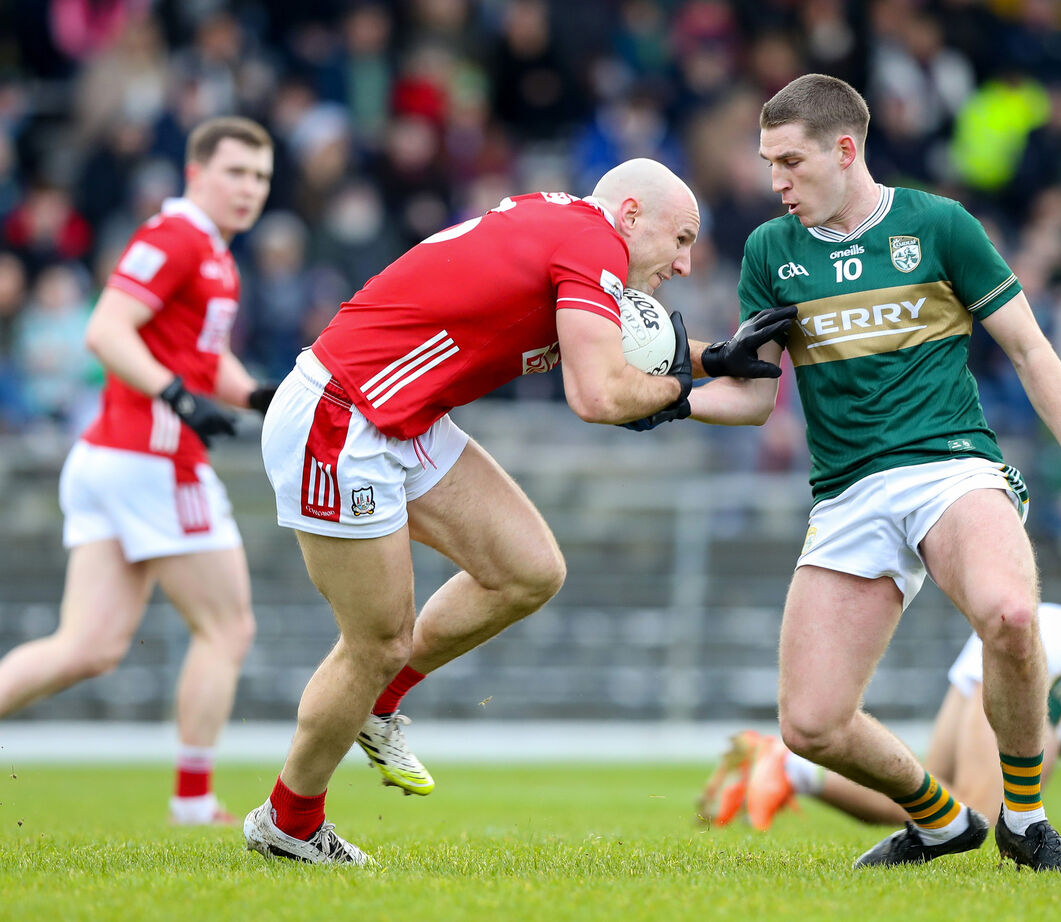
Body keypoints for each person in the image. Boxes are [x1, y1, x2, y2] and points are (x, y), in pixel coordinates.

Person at [242, 158, 792, 866]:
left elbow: (611, 359)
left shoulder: (574, 234)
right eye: (680, 239)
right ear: (628, 215)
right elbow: (597, 395)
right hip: (343, 414)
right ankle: (288, 823)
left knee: (527, 569)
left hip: (397, 414)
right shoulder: (592, 243)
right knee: (374, 643)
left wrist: (713, 357)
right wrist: (686, 385)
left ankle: (378, 705)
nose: (686, 264)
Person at [670, 74, 1061, 870]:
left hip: (952, 467)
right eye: (768, 161)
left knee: (1013, 617)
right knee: (810, 725)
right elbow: (749, 397)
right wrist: (665, 399)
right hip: (847, 492)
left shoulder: (938, 224)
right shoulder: (770, 250)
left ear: (845, 150)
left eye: (790, 161)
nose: (774, 181)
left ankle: (1024, 816)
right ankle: (943, 820)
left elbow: (1028, 348)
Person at [0, 116, 276, 825]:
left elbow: (202, 357)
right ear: (196, 173)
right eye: (237, 172)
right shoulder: (177, 236)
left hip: (111, 457)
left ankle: (192, 799)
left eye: (262, 176)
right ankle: (192, 803)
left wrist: (255, 396)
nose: (250, 188)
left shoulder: (214, 252)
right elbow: (106, 328)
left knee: (86, 648)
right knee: (229, 628)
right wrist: (176, 395)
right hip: (151, 460)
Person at [698, 602, 1061, 832]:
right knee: (980, 821)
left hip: (1053, 640)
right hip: (1058, 657)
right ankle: (790, 766)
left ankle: (790, 768)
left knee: (934, 807)